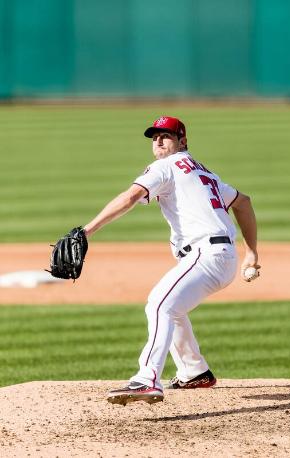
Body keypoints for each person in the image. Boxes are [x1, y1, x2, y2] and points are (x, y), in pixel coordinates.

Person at [83, 116, 260, 406]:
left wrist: (87, 230)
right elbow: (244, 201)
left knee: (159, 303)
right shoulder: (203, 172)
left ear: (183, 141)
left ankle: (146, 378)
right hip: (219, 256)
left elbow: (131, 197)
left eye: (166, 136)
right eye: (155, 137)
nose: (159, 141)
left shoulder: (166, 166)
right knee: (173, 307)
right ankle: (194, 371)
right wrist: (251, 252)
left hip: (207, 254)